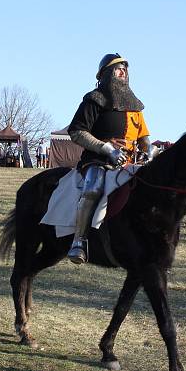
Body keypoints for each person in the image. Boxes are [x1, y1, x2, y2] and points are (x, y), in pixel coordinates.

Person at [66, 53, 153, 264]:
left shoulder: (135, 106)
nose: (123, 71)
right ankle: (79, 241)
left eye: (125, 68)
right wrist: (106, 148)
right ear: (106, 74)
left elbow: (144, 137)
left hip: (132, 162)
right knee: (93, 186)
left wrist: (149, 152)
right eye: (117, 68)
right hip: (98, 160)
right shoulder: (94, 100)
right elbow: (76, 131)